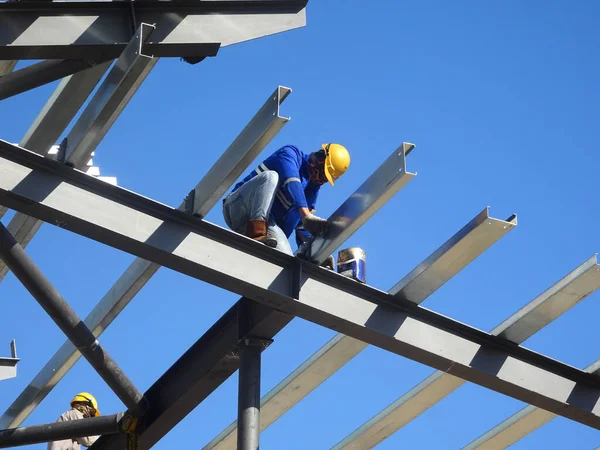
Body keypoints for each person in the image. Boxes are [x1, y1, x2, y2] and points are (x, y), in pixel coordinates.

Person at [222, 143, 350, 256]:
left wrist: (318, 251)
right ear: (320, 158)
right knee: (270, 177)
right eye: (322, 173)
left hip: (265, 228)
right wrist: (306, 214)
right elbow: (292, 181)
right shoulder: (290, 154)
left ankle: (260, 238)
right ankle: (256, 231)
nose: (320, 180)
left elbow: (303, 228)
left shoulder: (311, 190)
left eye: (325, 179)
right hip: (237, 208)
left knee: (285, 258)